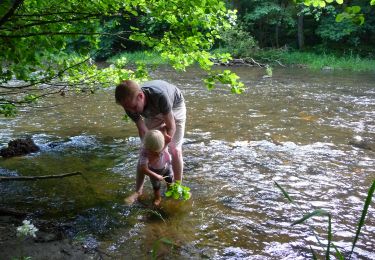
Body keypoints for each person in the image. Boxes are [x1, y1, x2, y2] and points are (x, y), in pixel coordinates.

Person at [115, 79, 186, 203]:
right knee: (145, 151)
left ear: (141, 96)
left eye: (134, 107)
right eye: (127, 108)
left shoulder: (159, 96)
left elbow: (171, 126)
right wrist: (147, 150)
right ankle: (138, 191)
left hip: (174, 105)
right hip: (152, 112)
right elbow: (143, 130)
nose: (131, 111)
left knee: (175, 149)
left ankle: (177, 186)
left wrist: (162, 148)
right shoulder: (129, 105)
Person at [127, 129, 173, 206]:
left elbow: (168, 136)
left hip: (166, 167)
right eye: (154, 152)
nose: (157, 153)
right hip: (154, 171)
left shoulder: (163, 141)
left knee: (170, 181)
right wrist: (156, 176)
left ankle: (171, 192)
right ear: (148, 147)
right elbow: (143, 169)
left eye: (159, 150)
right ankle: (158, 197)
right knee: (156, 186)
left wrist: (164, 130)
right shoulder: (144, 153)